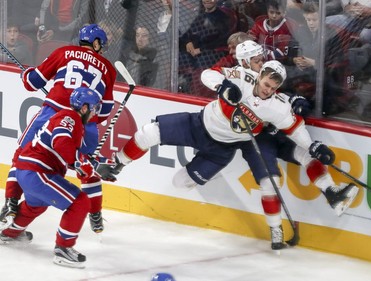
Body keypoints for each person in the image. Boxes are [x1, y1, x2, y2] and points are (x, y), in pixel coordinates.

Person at [110, 59, 357, 250]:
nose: (266, 89)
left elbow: (295, 130)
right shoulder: (242, 76)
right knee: (149, 132)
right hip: (198, 125)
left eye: (272, 87)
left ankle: (276, 231)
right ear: (259, 76)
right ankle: (117, 164)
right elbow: (207, 74)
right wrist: (222, 85)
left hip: (221, 150)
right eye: (265, 83)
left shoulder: (278, 107)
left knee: (180, 181)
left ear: (278, 87)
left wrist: (313, 147)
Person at [206, 40, 359, 218]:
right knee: (270, 181)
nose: (260, 62)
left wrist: (295, 100)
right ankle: (275, 228)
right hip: (258, 139)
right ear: (245, 61)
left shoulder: (265, 74)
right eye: (256, 60)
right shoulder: (239, 79)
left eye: (261, 59)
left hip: (276, 133)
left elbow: (281, 96)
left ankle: (332, 193)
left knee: (305, 154)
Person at [0, 24, 117, 234]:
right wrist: (85, 117)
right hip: (85, 122)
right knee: (87, 166)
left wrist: (27, 74)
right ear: (97, 43)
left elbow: (33, 82)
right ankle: (96, 214)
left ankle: (11, 202)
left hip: (52, 113)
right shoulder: (108, 67)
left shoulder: (63, 52)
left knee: (23, 154)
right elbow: (106, 110)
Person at [0, 87, 102, 268]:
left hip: (29, 171)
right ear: (84, 108)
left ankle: (9, 233)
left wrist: (91, 162)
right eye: (94, 108)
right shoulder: (70, 117)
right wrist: (80, 162)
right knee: (80, 202)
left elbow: (67, 153)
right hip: (38, 172)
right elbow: (61, 141)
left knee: (35, 206)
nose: (95, 112)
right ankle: (63, 249)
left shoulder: (70, 119)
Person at [248, 0, 298, 64]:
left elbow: (282, 52)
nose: (274, 16)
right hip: (258, 60)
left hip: (280, 63)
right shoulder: (259, 23)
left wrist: (263, 56)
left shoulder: (289, 26)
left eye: (278, 13)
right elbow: (251, 41)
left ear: (284, 12)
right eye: (271, 12)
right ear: (267, 11)